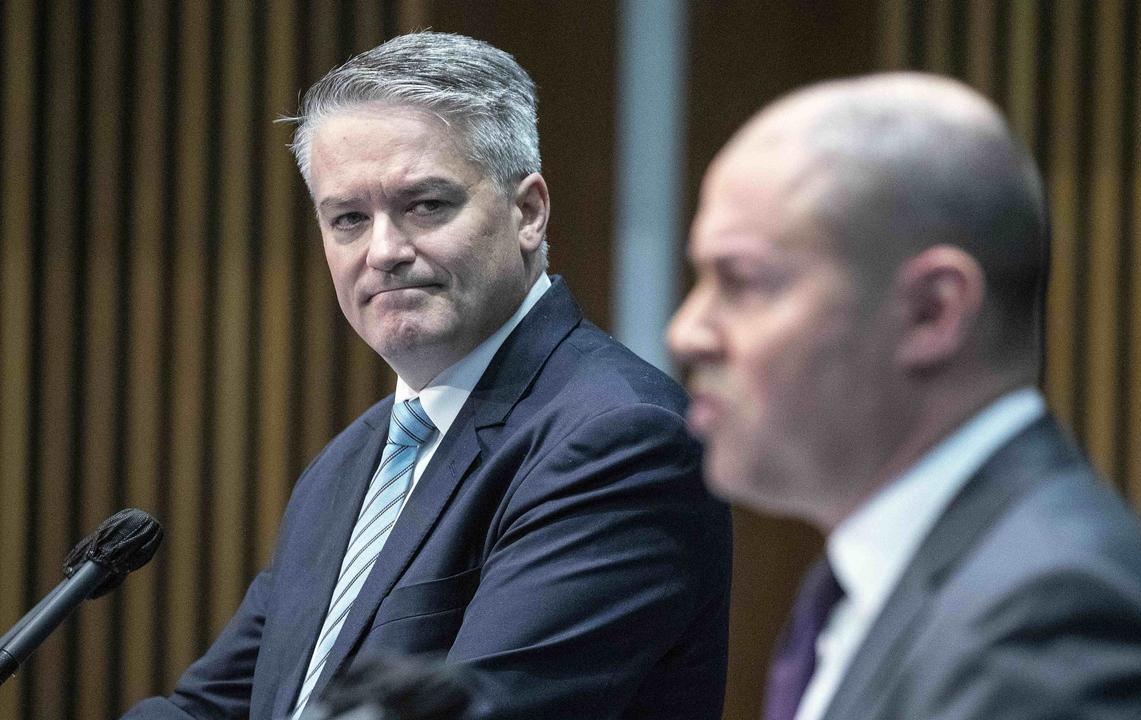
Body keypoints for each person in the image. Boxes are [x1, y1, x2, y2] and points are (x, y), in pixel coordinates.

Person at [124, 31, 731, 720]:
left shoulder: (618, 439)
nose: (383, 251)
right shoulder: (352, 463)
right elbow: (214, 708)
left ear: (528, 212)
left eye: (426, 206)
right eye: (349, 218)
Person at [667, 72, 1141, 720]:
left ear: (933, 312)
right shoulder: (892, 575)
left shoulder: (1058, 616)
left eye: (742, 282)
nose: (686, 332)